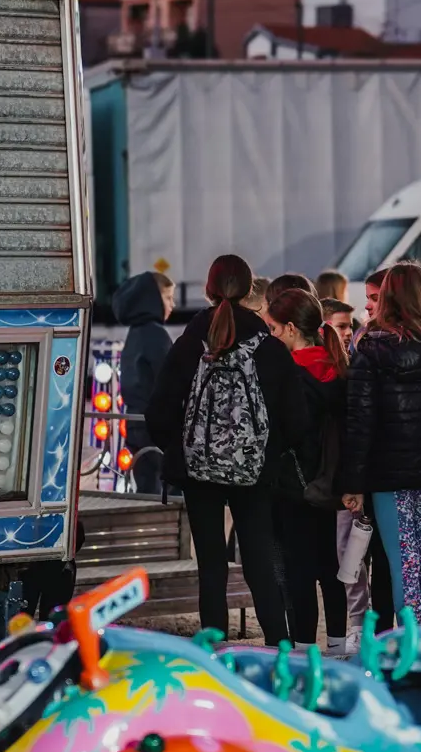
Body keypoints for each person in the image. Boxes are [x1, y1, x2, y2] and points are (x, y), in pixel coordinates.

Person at [151, 255, 306, 643]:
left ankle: (214, 650)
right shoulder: (270, 349)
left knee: (211, 566)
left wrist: (181, 447)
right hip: (254, 472)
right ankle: (278, 645)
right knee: (258, 561)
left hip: (197, 471)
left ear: (208, 290)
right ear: (251, 291)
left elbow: (158, 411)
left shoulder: (189, 345)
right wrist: (267, 452)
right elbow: (297, 420)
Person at [340, 263, 421, 624]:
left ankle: (411, 639)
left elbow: (359, 421)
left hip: (388, 473)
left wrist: (353, 482)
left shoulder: (369, 347)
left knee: (404, 564)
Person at [265, 288, 349, 653]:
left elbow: (286, 431)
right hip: (331, 483)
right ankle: (338, 643)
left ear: (289, 329)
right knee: (330, 567)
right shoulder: (338, 367)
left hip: (294, 483)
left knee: (299, 569)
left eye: (272, 329)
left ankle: (303, 648)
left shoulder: (289, 374)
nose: (270, 336)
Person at [115, 268, 174, 494]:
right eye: (168, 298)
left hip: (135, 423)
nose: (172, 305)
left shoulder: (135, 333)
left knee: (146, 488)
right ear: (153, 299)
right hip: (156, 426)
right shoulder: (156, 335)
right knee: (168, 490)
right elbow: (169, 380)